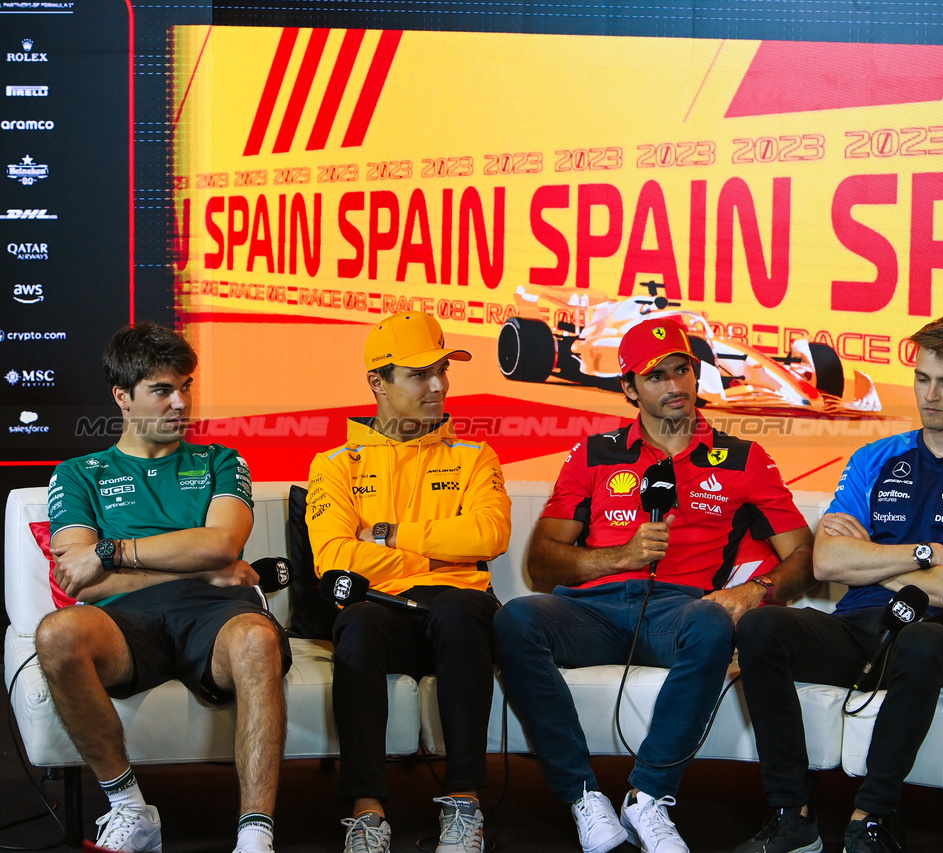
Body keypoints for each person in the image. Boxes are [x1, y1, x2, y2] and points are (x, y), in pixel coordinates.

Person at [492, 317, 815, 853]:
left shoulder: (742, 458)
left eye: (682, 370)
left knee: (715, 622)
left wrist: (754, 592)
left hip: (681, 612)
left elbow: (803, 553)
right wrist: (620, 556)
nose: (674, 386)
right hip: (590, 612)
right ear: (628, 388)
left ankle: (648, 798)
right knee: (516, 618)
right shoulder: (594, 454)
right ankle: (583, 798)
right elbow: (542, 565)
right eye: (656, 376)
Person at [733, 313, 943, 853]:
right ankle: (792, 814)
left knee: (922, 643)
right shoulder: (875, 457)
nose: (931, 395)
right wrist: (927, 555)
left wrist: (871, 557)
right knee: (760, 629)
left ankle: (870, 818)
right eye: (922, 379)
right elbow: (826, 563)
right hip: (858, 625)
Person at [36, 322, 289, 853]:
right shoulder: (80, 473)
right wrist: (196, 566)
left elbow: (221, 543)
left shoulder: (221, 460)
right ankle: (130, 808)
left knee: (257, 639)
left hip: (217, 613)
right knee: (58, 633)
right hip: (126, 619)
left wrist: (112, 549)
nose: (181, 402)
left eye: (186, 386)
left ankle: (255, 836)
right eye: (162, 390)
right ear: (122, 397)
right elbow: (81, 584)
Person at [306, 311, 512, 853]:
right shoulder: (334, 464)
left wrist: (392, 538)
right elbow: (333, 559)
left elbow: (490, 535)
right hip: (383, 610)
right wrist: (437, 557)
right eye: (420, 374)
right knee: (357, 624)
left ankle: (464, 806)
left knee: (460, 610)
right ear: (378, 382)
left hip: (458, 611)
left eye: (442, 369)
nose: (439, 384)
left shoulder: (474, 456)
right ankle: (366, 811)